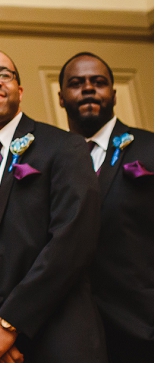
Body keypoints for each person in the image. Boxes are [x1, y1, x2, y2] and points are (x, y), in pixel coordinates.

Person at [0, 48, 104, 362]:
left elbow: (73, 240)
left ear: (20, 91)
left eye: (3, 74)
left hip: (64, 341)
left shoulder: (65, 148)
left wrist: (11, 321)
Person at [58, 52, 153, 362]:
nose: (88, 88)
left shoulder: (150, 149)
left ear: (113, 93)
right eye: (76, 83)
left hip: (144, 325)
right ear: (61, 97)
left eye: (98, 82)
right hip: (75, 335)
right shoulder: (49, 163)